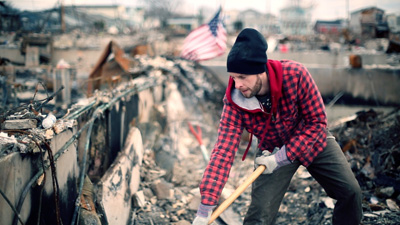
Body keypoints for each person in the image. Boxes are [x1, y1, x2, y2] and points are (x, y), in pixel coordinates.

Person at [192, 28, 363, 225]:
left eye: (242, 77)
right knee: (259, 217)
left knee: (350, 192)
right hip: (270, 152)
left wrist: (283, 157)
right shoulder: (234, 100)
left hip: (311, 139)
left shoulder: (296, 75)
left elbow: (317, 122)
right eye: (233, 77)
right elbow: (223, 151)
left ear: (260, 70)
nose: (236, 84)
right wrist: (205, 208)